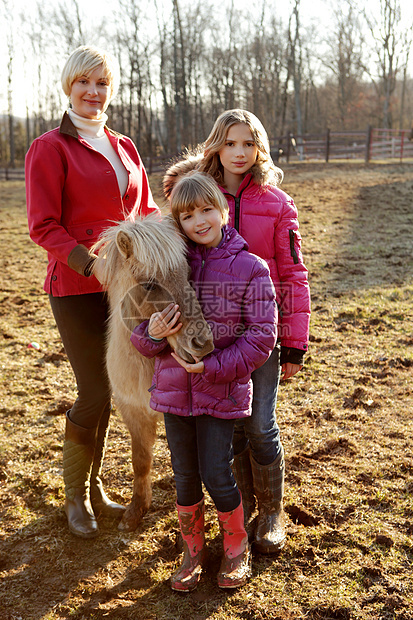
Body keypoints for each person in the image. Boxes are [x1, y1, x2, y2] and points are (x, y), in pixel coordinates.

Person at [25, 45, 160, 538]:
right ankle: (76, 495)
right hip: (77, 287)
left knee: (124, 386)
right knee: (95, 389)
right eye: (84, 82)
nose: (93, 92)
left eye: (102, 83)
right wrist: (92, 263)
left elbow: (146, 212)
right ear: (69, 85)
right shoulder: (50, 147)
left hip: (129, 289)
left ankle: (98, 485)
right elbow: (43, 226)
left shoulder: (124, 146)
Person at [163, 109, 311, 554]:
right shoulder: (196, 193)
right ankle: (239, 509)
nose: (240, 152)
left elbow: (294, 273)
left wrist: (295, 342)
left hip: (261, 332)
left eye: (248, 143)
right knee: (235, 428)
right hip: (209, 333)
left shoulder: (277, 203)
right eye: (230, 143)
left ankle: (271, 512)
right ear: (216, 146)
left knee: (261, 425)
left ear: (260, 148)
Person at [130, 171, 277, 591]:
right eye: (187, 214)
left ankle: (235, 546)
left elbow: (261, 336)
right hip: (175, 393)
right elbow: (141, 334)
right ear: (177, 222)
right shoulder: (168, 268)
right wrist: (154, 333)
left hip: (220, 390)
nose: (199, 221)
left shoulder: (251, 268)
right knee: (183, 476)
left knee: (217, 473)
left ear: (223, 209)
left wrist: (212, 368)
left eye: (207, 209)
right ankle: (192, 550)